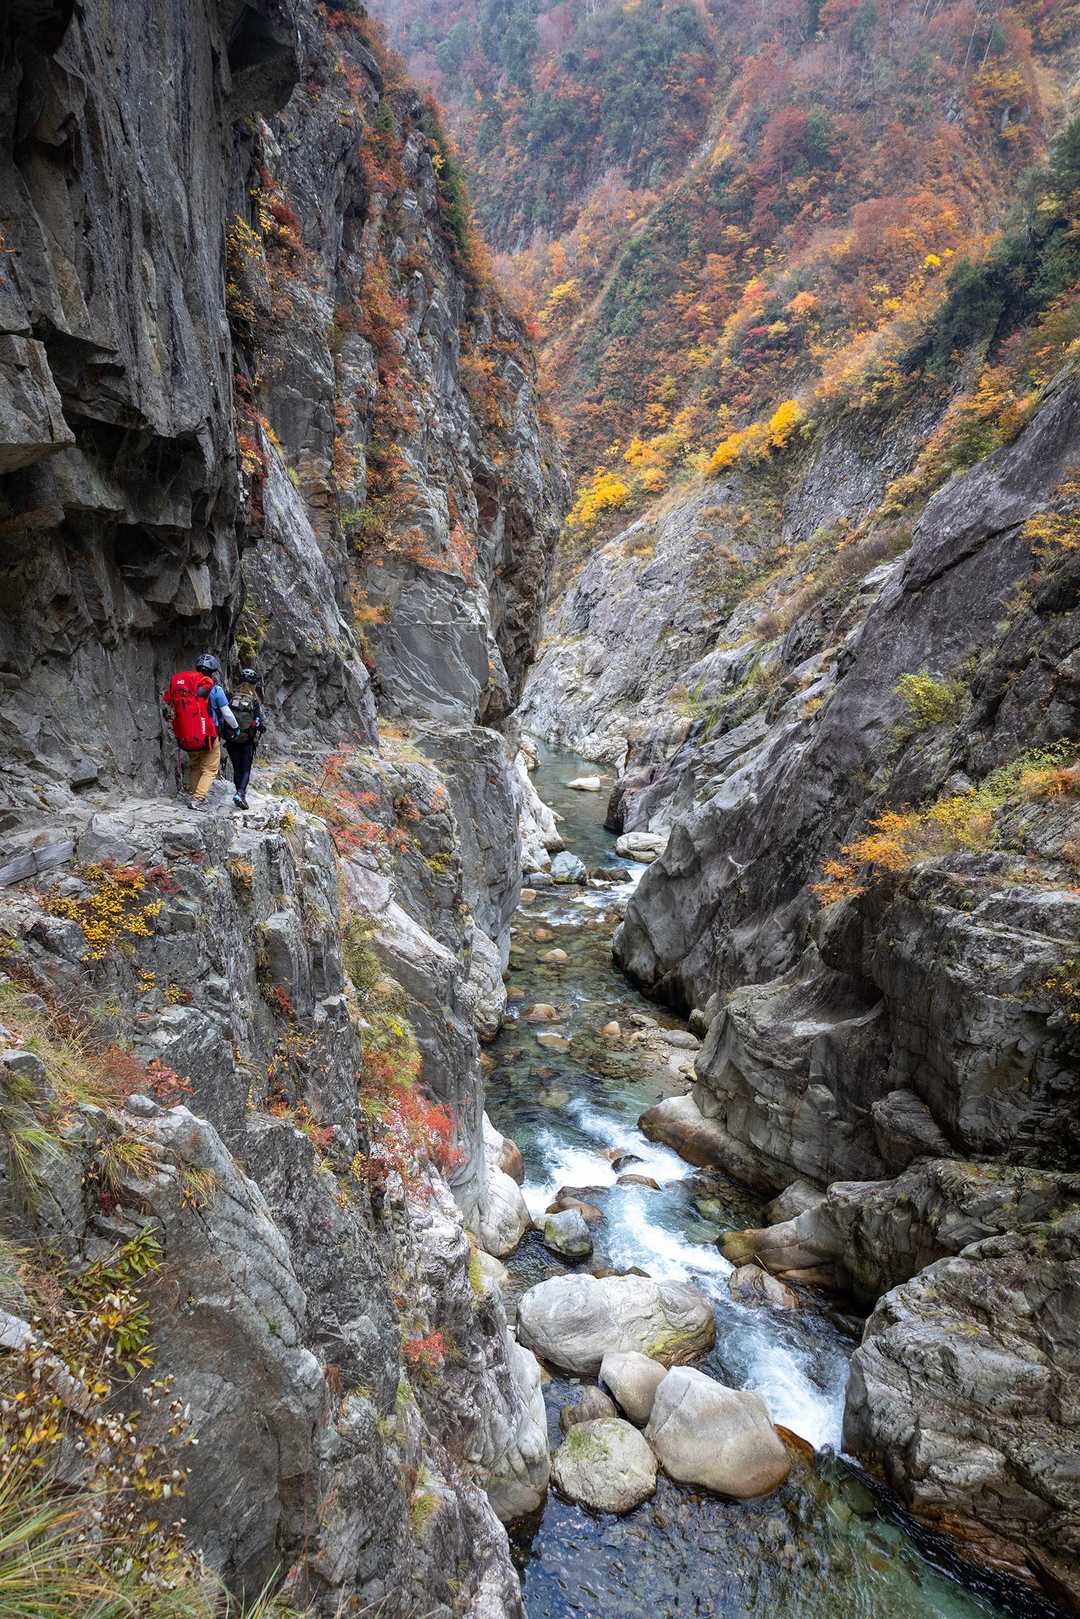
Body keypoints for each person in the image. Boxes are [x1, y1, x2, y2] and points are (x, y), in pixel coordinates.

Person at [163, 653, 238, 810]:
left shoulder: (186, 688)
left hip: (188, 734)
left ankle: (194, 794)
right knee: (210, 768)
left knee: (195, 765)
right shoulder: (215, 689)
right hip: (209, 735)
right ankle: (198, 799)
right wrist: (236, 727)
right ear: (213, 671)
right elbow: (227, 714)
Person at [223, 667, 265, 809]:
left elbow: (224, 713)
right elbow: (257, 721)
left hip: (231, 738)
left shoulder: (230, 695)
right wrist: (261, 727)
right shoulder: (254, 700)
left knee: (236, 768)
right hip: (247, 740)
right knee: (246, 769)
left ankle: (238, 793)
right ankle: (241, 793)